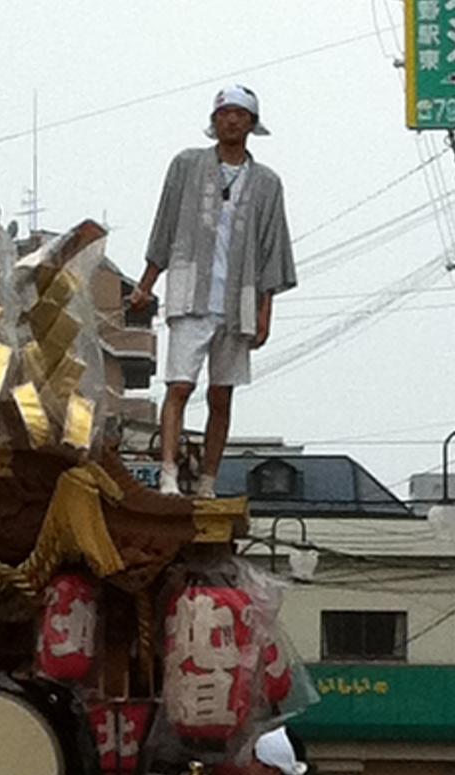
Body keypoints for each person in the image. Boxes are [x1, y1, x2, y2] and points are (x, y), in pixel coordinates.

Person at [130, 85, 296, 498]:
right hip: (191, 294)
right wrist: (146, 284)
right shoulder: (186, 165)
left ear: (252, 123)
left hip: (239, 300)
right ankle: (168, 472)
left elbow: (272, 249)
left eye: (240, 114)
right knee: (179, 386)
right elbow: (165, 228)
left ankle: (207, 481)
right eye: (224, 113)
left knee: (221, 395)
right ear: (214, 120)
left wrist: (265, 312)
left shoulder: (267, 183)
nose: (231, 120)